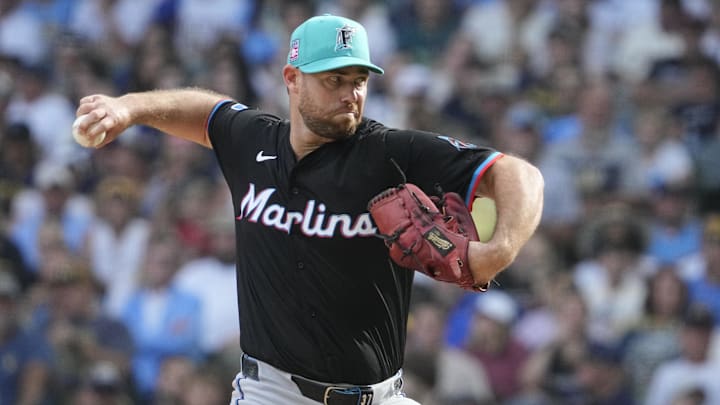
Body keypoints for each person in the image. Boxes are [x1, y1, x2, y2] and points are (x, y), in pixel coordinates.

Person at [73, 14, 544, 404]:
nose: (350, 93)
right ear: (292, 80)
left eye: (359, 80)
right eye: (333, 79)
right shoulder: (253, 142)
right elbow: (208, 111)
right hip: (271, 394)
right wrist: (130, 107)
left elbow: (518, 175)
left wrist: (498, 251)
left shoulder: (390, 154)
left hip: (379, 396)